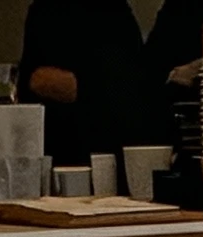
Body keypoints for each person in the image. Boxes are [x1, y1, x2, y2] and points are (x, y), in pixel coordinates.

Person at [18, 0, 162, 169]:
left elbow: (131, 83)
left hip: (103, 145)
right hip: (66, 148)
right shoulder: (47, 10)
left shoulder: (114, 11)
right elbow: (34, 82)